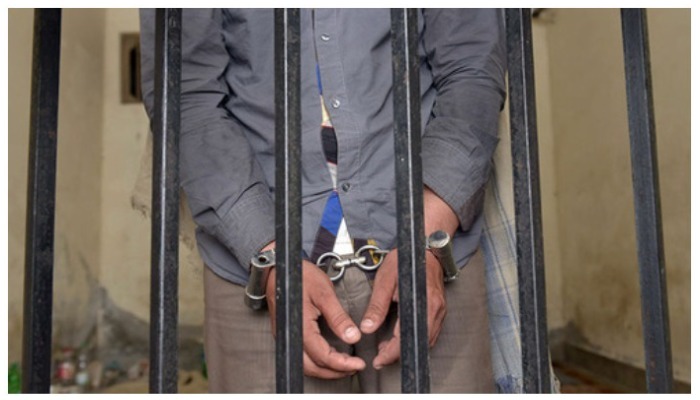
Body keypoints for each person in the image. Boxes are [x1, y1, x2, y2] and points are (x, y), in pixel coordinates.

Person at [140, 9, 506, 393]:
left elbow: (473, 67)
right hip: (252, 255)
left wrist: (427, 236)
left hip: (428, 246)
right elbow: (185, 97)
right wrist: (268, 254)